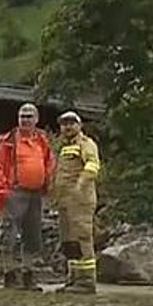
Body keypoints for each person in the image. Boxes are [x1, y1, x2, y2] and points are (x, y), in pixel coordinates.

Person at [0, 103, 55, 291]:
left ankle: (28, 274)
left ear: (36, 119)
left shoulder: (42, 141)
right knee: (8, 233)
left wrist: (49, 183)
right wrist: (2, 190)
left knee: (32, 235)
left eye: (29, 116)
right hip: (14, 192)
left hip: (36, 194)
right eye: (22, 116)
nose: (25, 120)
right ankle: (9, 273)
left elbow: (49, 162)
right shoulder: (9, 142)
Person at [51, 110, 101, 293]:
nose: (68, 127)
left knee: (82, 238)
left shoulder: (86, 144)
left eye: (71, 123)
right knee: (69, 241)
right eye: (64, 124)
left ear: (79, 125)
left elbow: (93, 165)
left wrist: (81, 183)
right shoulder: (63, 148)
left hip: (81, 200)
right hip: (65, 201)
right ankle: (73, 279)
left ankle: (87, 281)